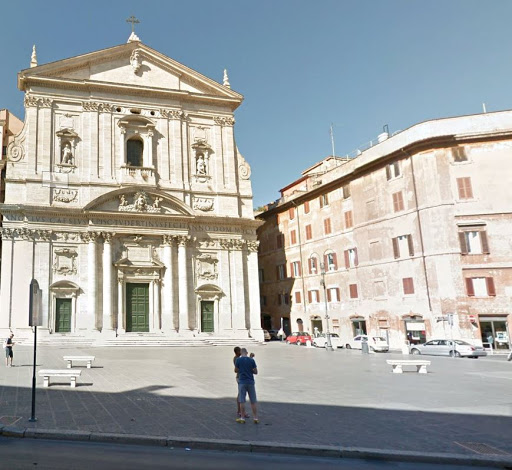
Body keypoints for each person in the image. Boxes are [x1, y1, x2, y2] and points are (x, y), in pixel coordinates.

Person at [234, 348, 259, 424]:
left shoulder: (238, 360)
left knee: (242, 401)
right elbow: (256, 372)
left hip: (242, 381)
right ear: (247, 353)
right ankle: (255, 418)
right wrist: (250, 370)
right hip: (250, 382)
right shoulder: (251, 360)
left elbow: (235, 370)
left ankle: (242, 418)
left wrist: (242, 370)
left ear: (241, 353)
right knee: (253, 401)